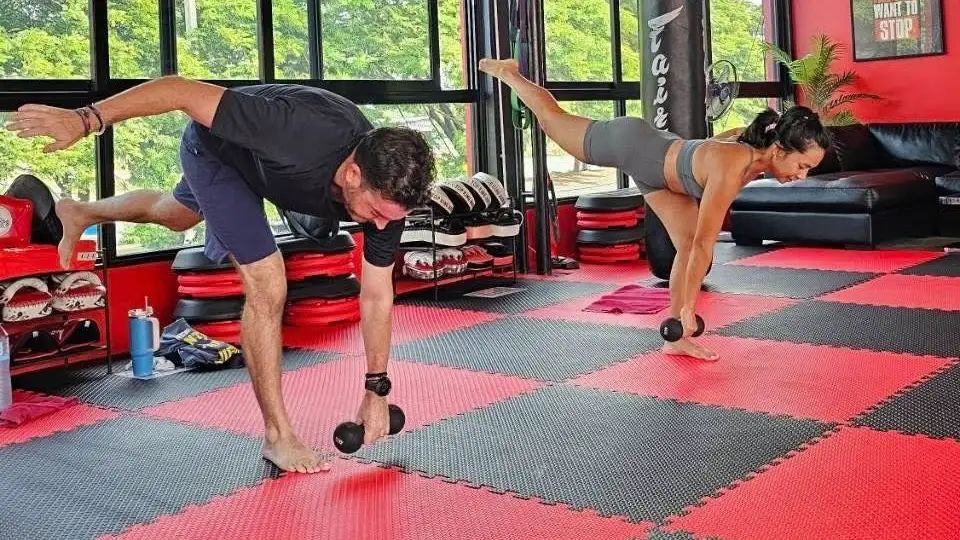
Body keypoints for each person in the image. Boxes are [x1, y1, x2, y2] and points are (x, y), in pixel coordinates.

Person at [4, 77, 435, 473]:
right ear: (354, 173)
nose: (382, 226)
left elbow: (377, 295)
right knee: (268, 282)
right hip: (216, 151)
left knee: (173, 215)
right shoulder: (294, 131)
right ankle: (278, 436)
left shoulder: (387, 196)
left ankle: (80, 212)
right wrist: (85, 119)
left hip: (267, 168)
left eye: (390, 218)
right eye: (375, 212)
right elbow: (178, 90)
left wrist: (376, 391)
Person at [478, 58, 830, 361]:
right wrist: (692, 307)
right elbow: (706, 243)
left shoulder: (754, 149)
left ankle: (675, 339)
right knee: (551, 119)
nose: (802, 176)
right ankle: (510, 74)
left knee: (685, 244)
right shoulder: (733, 167)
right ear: (779, 149)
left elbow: (695, 241)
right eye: (802, 166)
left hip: (664, 179)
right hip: (634, 145)